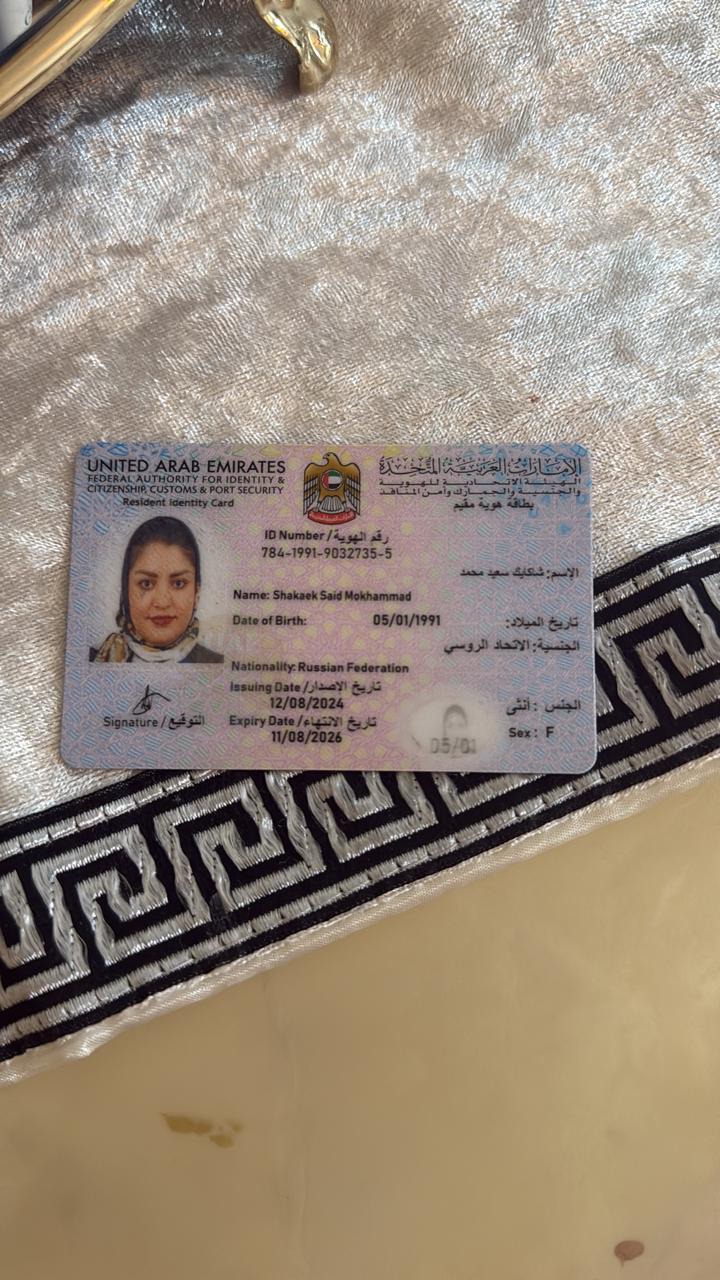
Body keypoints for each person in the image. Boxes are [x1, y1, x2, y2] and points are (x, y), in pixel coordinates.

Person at [90, 517, 223, 663]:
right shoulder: (95, 659)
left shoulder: (216, 665)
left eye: (178, 583)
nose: (162, 602)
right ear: (126, 592)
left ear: (196, 593)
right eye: (146, 584)